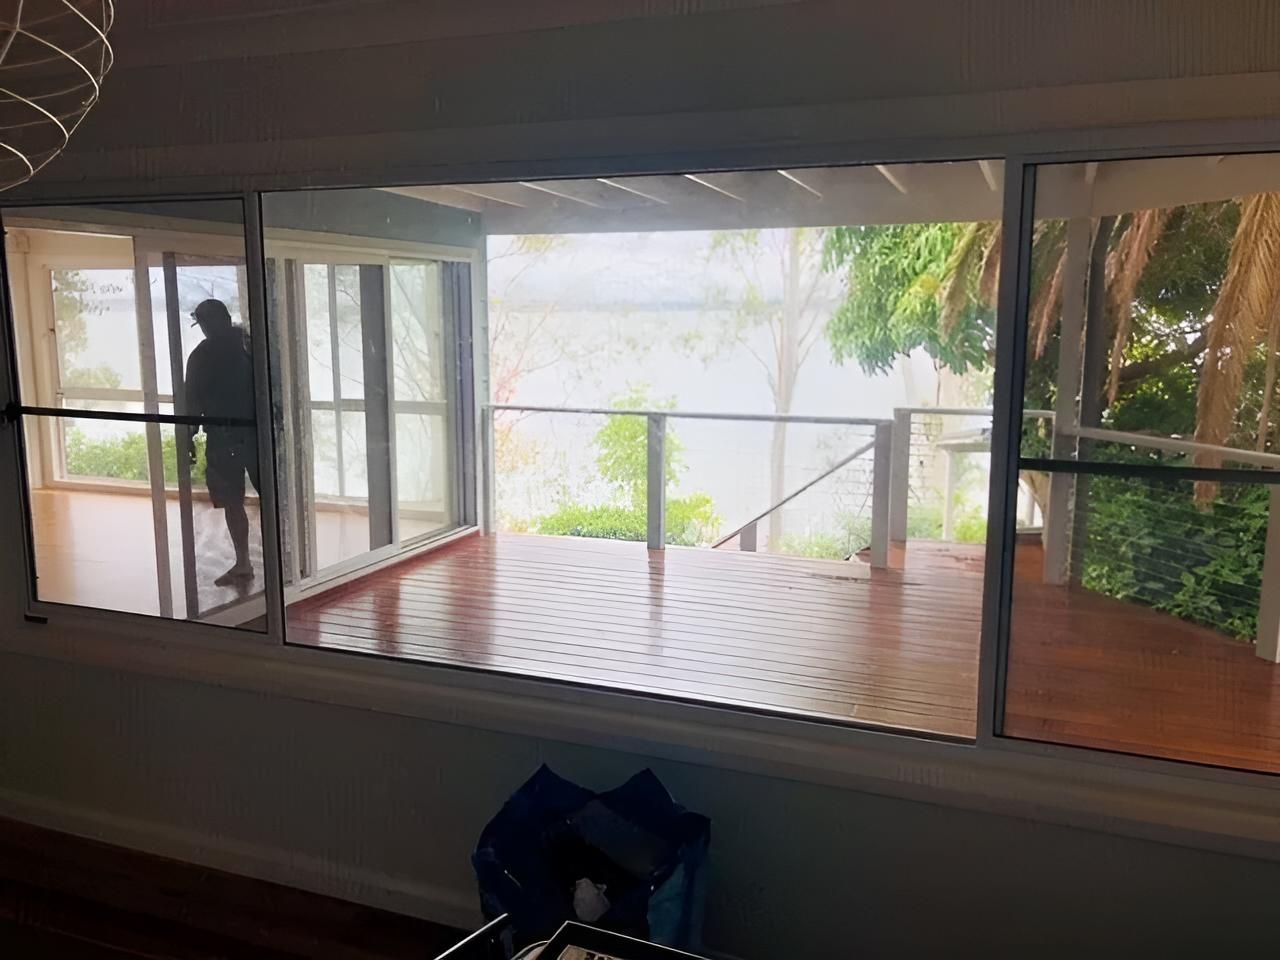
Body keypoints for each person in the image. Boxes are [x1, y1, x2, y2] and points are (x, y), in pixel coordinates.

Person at [185, 298, 260, 586]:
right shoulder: (251, 347)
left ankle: (244, 562)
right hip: (254, 434)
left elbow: (192, 403)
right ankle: (261, 562)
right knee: (243, 500)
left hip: (225, 436)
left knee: (232, 501)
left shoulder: (203, 356)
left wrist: (188, 437)